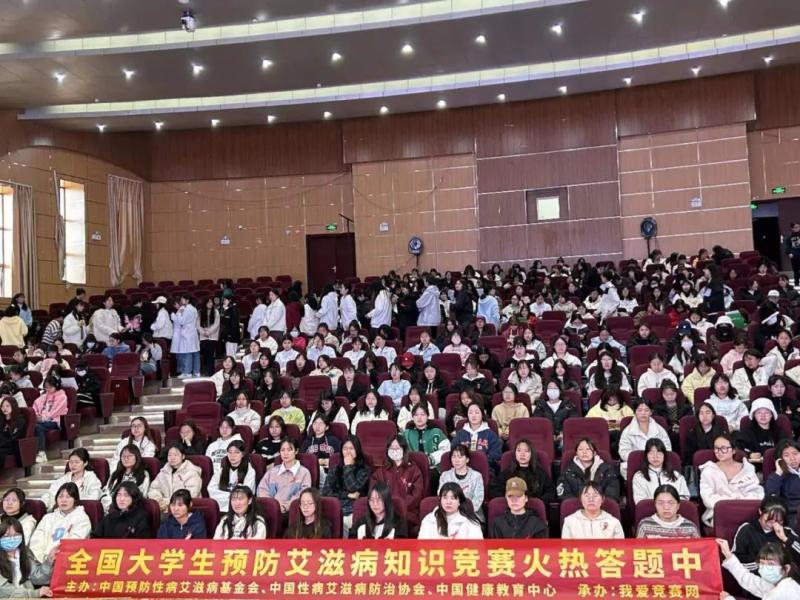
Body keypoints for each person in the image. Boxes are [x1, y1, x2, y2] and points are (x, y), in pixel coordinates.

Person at [699, 433, 764, 526]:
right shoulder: (708, 471)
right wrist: (730, 504)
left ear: (733, 450)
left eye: (724, 448)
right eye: (716, 448)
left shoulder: (747, 468)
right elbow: (707, 497)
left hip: (746, 510)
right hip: (721, 512)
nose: (719, 452)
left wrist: (739, 504)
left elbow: (757, 493)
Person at [29, 483, 91, 568]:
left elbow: (75, 543)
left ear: (75, 500)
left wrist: (55, 558)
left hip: (68, 564)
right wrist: (44, 560)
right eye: (60, 496)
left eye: (68, 497)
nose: (63, 500)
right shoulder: (48, 517)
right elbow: (36, 541)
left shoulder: (82, 518)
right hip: (42, 563)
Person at [717, 538, 800, 599]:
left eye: (771, 564)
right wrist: (728, 555)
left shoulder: (783, 591)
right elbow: (750, 581)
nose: (765, 568)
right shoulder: (775, 584)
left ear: (786, 568)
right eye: (762, 563)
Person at [369, 436, 424, 528]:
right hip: (383, 511)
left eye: (397, 448)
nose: (394, 450)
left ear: (404, 450)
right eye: (391, 448)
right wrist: (385, 507)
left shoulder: (414, 470)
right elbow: (373, 493)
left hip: (407, 512)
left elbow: (416, 495)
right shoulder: (380, 471)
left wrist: (398, 507)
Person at [322, 436, 370, 537]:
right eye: (345, 448)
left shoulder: (364, 470)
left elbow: (353, 488)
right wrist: (347, 495)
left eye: (351, 448)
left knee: (342, 524)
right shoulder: (334, 469)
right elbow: (325, 492)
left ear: (357, 450)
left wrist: (348, 467)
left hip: (351, 511)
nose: (348, 452)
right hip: (334, 509)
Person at [618, 399, 672, 478]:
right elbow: (623, 452)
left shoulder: (659, 429)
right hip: (636, 465)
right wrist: (642, 458)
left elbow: (668, 448)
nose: (643, 413)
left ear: (651, 412)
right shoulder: (627, 431)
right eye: (640, 410)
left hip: (657, 463)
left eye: (646, 410)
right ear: (635, 412)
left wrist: (655, 458)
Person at [0, 518, 53, 598]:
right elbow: (4, 590)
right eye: (6, 536)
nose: (12, 539)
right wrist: (35, 593)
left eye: (16, 535)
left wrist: (49, 561)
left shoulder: (25, 553)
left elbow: (38, 577)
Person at [256, 438, 312, 515]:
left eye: (289, 450)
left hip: (291, 512)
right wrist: (270, 506)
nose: (285, 453)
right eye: (282, 450)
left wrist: (285, 507)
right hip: (269, 509)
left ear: (296, 451)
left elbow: (303, 495)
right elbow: (262, 489)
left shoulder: (304, 473)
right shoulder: (272, 471)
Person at [491, 439, 555, 503]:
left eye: (526, 451)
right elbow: (495, 490)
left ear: (531, 454)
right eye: (519, 451)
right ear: (515, 453)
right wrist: (510, 500)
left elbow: (550, 492)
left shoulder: (540, 473)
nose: (522, 454)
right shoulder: (507, 472)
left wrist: (537, 503)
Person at [631, 438, 690, 505]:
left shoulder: (676, 475)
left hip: (674, 510)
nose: (655, 457)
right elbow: (640, 502)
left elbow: (684, 498)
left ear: (664, 455)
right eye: (651, 453)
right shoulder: (639, 476)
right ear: (646, 456)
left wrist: (670, 506)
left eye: (659, 453)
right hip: (650, 510)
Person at [148, 443, 203, 513]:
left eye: (175, 455)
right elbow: (154, 489)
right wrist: (158, 501)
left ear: (183, 456)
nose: (172, 458)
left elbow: (190, 495)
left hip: (185, 510)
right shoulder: (163, 472)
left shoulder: (192, 473)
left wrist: (166, 502)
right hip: (163, 509)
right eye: (169, 455)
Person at [418, 482, 483, 539]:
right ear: (440, 500)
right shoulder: (429, 520)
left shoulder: (471, 523)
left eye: (453, 498)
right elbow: (422, 546)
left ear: (459, 502)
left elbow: (478, 547)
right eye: (445, 498)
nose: (448, 502)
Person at [438, 445, 485, 522]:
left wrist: (461, 512)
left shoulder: (476, 476)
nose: (456, 460)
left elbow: (478, 498)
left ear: (467, 459)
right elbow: (441, 494)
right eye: (454, 457)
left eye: (460, 457)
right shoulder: (445, 475)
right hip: (449, 512)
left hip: (471, 513)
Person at [208, 440, 257, 512]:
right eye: (230, 452)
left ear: (243, 454)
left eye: (237, 452)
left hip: (240, 508)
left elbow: (246, 493)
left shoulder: (250, 471)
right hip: (220, 507)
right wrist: (230, 496)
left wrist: (227, 497)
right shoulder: (221, 470)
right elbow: (211, 489)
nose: (232, 455)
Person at [635, 484, 700, 538]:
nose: (666, 507)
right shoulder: (645, 525)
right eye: (660, 503)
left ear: (678, 505)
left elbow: (699, 548)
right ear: (655, 505)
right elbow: (638, 548)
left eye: (671, 503)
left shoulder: (690, 527)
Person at [737, 399, 789, 465]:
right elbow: (739, 449)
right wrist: (749, 454)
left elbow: (786, 448)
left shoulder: (779, 431)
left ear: (771, 415)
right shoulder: (747, 433)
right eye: (759, 413)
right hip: (755, 467)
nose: (763, 415)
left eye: (766, 413)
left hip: (776, 465)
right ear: (754, 415)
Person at [102, 444, 150, 512]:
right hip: (111, 508)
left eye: (130, 456)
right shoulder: (115, 474)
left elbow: (142, 496)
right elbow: (107, 492)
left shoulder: (143, 475)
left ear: (137, 457)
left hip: (132, 510)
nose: (126, 458)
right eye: (123, 456)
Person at [452, 402, 502, 468]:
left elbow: (496, 454)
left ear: (482, 414)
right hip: (462, 467)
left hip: (484, 467)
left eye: (477, 412)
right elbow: (453, 450)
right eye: (470, 413)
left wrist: (480, 461)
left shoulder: (490, 434)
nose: (473, 415)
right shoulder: (460, 434)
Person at [32, 375, 68, 463]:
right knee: (32, 426)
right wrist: (36, 416)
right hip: (42, 420)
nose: (48, 389)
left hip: (55, 421)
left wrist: (43, 418)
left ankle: (42, 453)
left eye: (50, 387)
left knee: (38, 427)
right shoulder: (45, 396)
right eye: (46, 387)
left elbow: (56, 411)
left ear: (56, 385)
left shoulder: (62, 396)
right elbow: (35, 405)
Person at [403, 404, 450, 470]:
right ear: (412, 417)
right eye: (416, 415)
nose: (419, 417)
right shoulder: (406, 433)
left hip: (434, 468)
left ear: (427, 416)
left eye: (422, 414)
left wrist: (431, 459)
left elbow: (446, 450)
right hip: (412, 469)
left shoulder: (436, 432)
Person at [533, 381, 578, 450]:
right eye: (550, 388)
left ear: (560, 391)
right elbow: (537, 423)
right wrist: (549, 435)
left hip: (565, 437)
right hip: (546, 437)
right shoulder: (540, 405)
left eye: (555, 388)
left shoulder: (568, 405)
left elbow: (573, 422)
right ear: (546, 391)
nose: (552, 390)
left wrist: (563, 434)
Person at [765, 440, 800, 527]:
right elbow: (770, 498)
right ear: (780, 459)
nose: (792, 458)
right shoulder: (777, 476)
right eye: (786, 455)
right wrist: (778, 473)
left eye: (795, 454)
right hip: (792, 515)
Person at [171, 294, 200, 379]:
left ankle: (187, 372)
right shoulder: (194, 308)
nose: (181, 301)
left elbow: (182, 321)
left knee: (187, 353)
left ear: (187, 300)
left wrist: (174, 316)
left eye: (183, 299)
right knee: (195, 353)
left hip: (187, 333)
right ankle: (196, 371)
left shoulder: (187, 309)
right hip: (192, 332)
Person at [197, 297, 220, 377]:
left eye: (211, 302)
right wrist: (203, 332)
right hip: (203, 337)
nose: (211, 304)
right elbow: (198, 324)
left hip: (212, 337)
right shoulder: (200, 312)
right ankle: (204, 372)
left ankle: (211, 373)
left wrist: (209, 332)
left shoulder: (216, 312)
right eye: (209, 302)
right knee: (205, 356)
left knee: (211, 356)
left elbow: (216, 324)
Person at [0, 397, 26, 469]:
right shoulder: (2, 419)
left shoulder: (20, 420)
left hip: (12, 445)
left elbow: (14, 437)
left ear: (13, 406)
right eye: (2, 406)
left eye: (7, 406)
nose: (4, 408)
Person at [784, 222, 800, 286]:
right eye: (795, 227)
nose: (797, 228)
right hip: (794, 256)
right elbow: (787, 247)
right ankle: (796, 283)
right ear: (792, 228)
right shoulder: (789, 237)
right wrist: (789, 253)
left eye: (798, 227)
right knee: (796, 270)